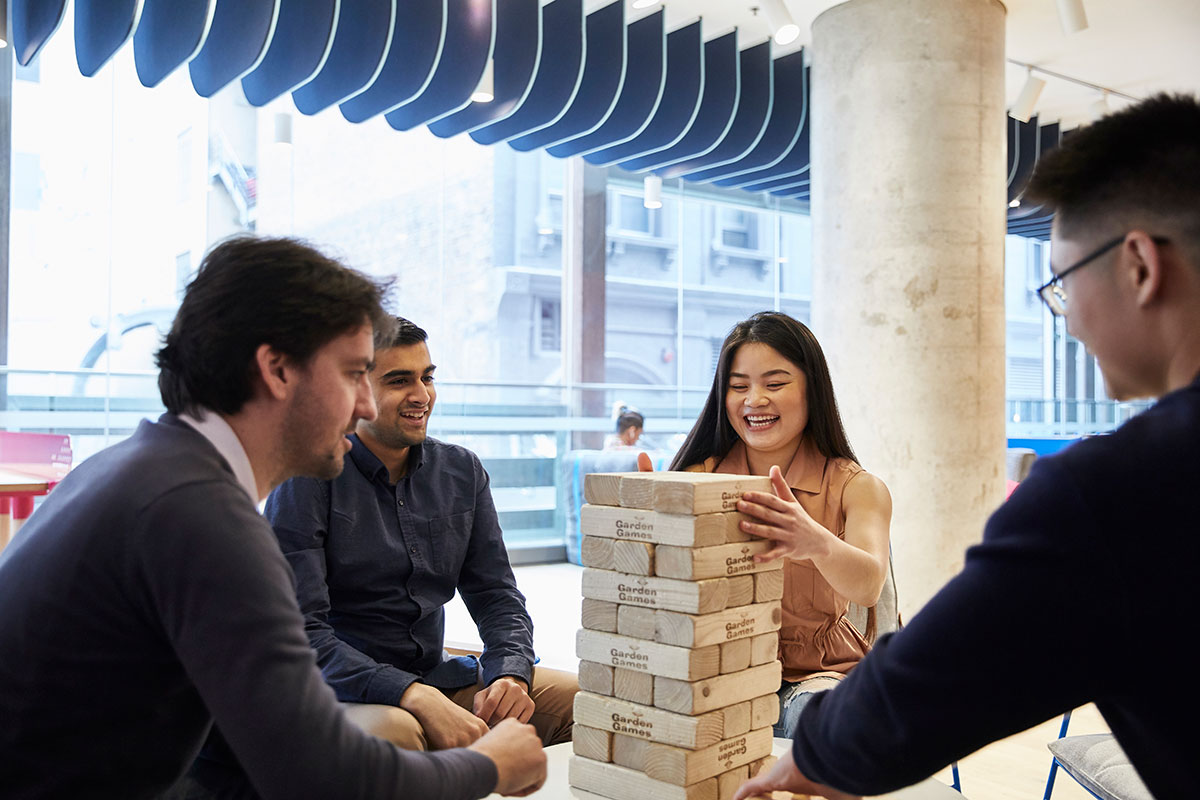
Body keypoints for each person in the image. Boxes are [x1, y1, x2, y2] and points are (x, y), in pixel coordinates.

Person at [734, 94, 1200, 800]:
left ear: (1138, 264)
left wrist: (822, 749)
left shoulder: (1116, 492)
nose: (1069, 321)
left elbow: (931, 681)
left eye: (1062, 284)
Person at [0, 237, 546, 800]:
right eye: (354, 373)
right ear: (278, 370)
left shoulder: (148, 469)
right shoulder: (199, 516)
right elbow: (319, 774)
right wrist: (492, 767)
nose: (363, 405)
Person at [265, 316, 576, 753]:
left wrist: (509, 671)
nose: (422, 395)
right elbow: (301, 634)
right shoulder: (307, 475)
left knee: (586, 706)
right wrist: (411, 693)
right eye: (399, 380)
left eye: (427, 377)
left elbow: (497, 596)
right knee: (399, 733)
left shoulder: (461, 470)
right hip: (343, 691)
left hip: (437, 677)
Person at [650, 311, 893, 737]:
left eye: (775, 384)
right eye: (739, 386)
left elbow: (868, 585)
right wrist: (639, 520)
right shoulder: (697, 479)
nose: (754, 400)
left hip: (815, 678)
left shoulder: (857, 487)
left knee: (818, 725)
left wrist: (816, 541)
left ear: (812, 390)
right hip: (717, 673)